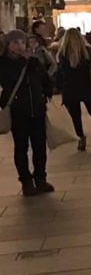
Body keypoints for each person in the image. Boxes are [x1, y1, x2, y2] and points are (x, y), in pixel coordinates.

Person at [0, 30, 55, 196]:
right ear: (8, 45)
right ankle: (25, 181)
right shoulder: (3, 63)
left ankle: (40, 178)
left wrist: (46, 95)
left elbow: (45, 80)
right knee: (21, 147)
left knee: (39, 147)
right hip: (18, 112)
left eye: (22, 42)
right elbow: (7, 80)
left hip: (37, 110)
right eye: (15, 42)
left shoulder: (33, 62)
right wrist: (22, 62)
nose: (19, 46)